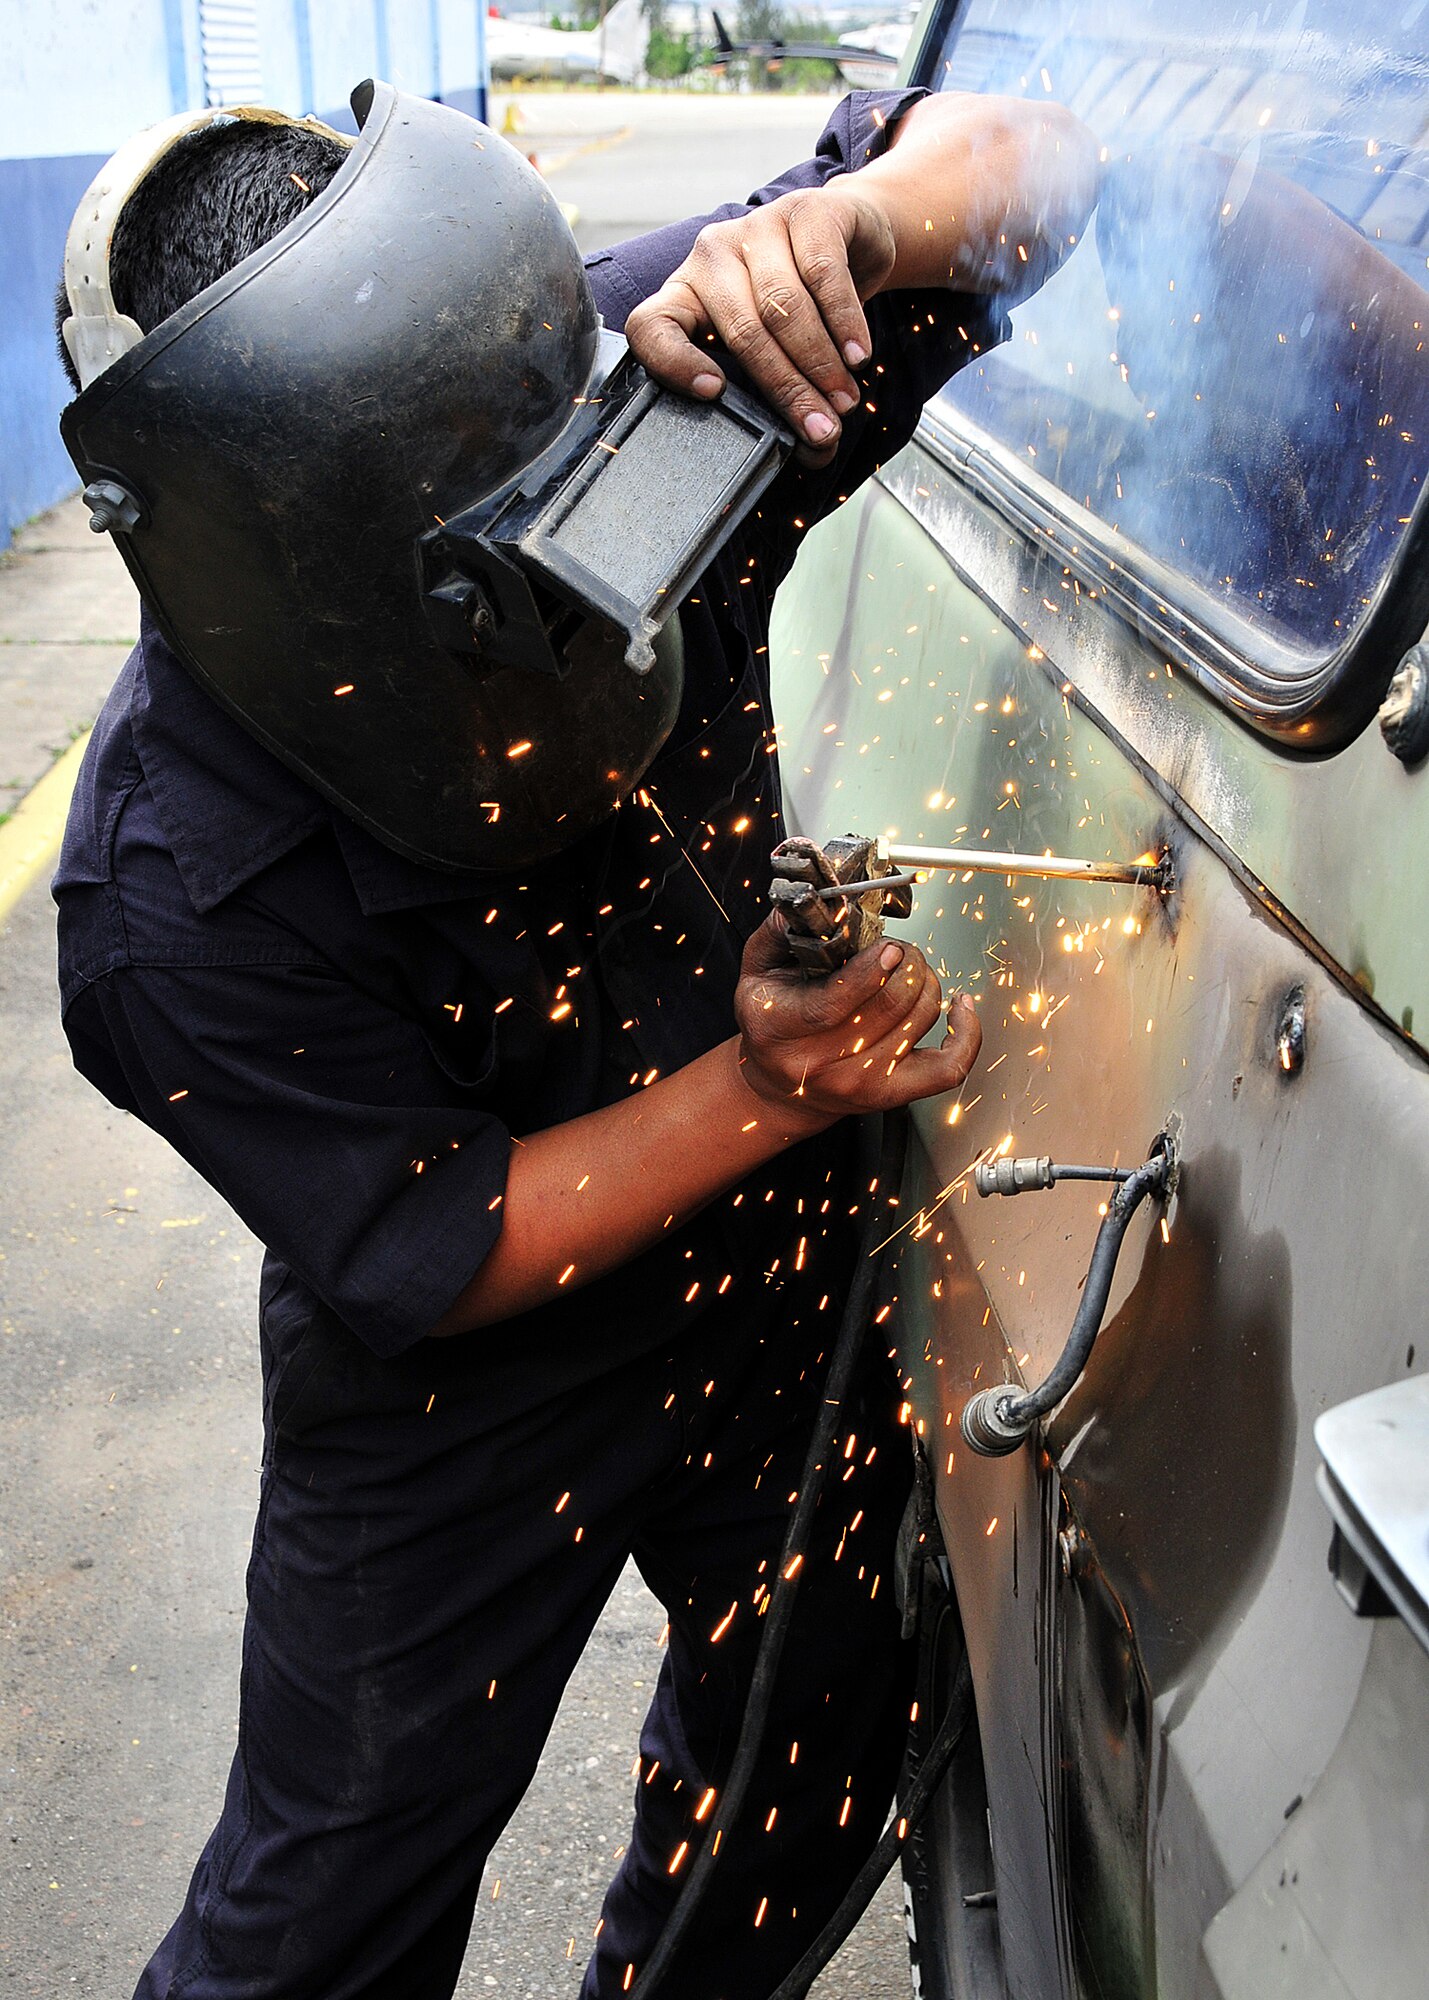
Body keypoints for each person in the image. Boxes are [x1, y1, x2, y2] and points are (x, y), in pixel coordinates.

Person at [53, 81, 1095, 1999]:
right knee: (323, 1912)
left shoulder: (627, 377)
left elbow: (1035, 163)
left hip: (780, 1273)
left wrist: (866, 227)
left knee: (805, 1758)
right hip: (468, 1391)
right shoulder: (170, 892)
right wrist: (763, 1081)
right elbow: (440, 1245)